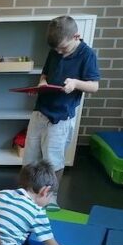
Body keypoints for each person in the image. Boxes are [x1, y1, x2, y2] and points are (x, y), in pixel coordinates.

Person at [22, 15, 100, 211]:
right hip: (41, 111)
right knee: (30, 155)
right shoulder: (55, 51)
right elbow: (45, 74)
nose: (59, 52)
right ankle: (26, 193)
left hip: (61, 117)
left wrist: (75, 83)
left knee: (53, 159)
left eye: (62, 48)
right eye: (56, 49)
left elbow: (94, 86)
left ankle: (51, 196)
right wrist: (41, 84)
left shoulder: (87, 55)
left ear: (76, 36)